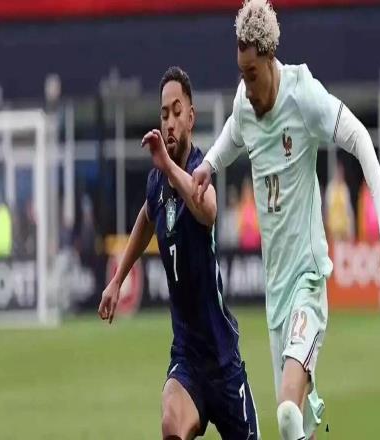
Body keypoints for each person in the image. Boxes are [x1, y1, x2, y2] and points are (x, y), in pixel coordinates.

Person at [191, 1, 380, 438]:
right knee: (297, 427)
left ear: (270, 58)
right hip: (275, 295)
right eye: (241, 74)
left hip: (307, 283)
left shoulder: (303, 95)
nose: (247, 85)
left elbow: (360, 138)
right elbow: (234, 132)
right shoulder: (245, 102)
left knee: (287, 413)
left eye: (252, 74)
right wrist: (209, 165)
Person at [98, 66, 259, 440]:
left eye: (176, 112)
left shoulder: (199, 168)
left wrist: (169, 166)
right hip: (186, 359)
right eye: (163, 114)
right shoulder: (158, 181)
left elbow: (208, 209)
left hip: (223, 360)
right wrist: (117, 280)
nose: (169, 122)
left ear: (191, 117)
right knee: (171, 425)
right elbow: (147, 217)